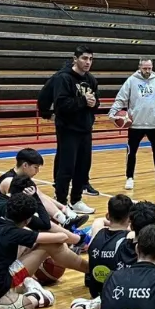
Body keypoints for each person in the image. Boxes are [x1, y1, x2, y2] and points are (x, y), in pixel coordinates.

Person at [0, 193, 88, 309]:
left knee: (29, 242)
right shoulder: (14, 232)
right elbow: (62, 237)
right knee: (51, 244)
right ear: (28, 219)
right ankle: (90, 270)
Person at [108, 58, 155, 190]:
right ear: (139, 67)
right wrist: (112, 113)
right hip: (136, 124)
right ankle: (130, 178)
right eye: (145, 68)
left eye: (150, 68)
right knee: (131, 152)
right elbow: (121, 98)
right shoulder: (131, 81)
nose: (148, 71)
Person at [50, 46, 100, 214]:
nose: (88, 62)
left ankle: (77, 199)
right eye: (85, 58)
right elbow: (61, 105)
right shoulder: (64, 78)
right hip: (68, 130)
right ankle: (62, 202)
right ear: (75, 59)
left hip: (85, 130)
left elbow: (94, 102)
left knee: (83, 167)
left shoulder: (91, 80)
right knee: (66, 168)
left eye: (91, 59)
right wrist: (82, 101)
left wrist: (94, 104)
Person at [0, 148, 87, 230]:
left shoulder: (22, 178)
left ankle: (66, 225)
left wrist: (65, 209)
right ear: (25, 165)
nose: (37, 171)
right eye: (35, 167)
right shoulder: (10, 181)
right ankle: (70, 232)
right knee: (42, 219)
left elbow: (41, 196)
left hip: (9, 215)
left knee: (48, 216)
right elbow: (25, 205)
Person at [85, 194, 134, 298]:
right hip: (117, 294)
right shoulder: (130, 237)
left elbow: (99, 220)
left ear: (108, 215)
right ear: (130, 219)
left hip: (95, 292)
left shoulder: (97, 231)